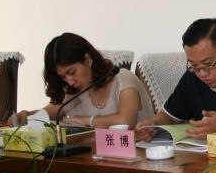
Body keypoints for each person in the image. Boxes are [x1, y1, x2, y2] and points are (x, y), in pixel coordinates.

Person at [8, 33, 153, 129]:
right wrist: (26, 116)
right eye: (63, 77)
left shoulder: (123, 80)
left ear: (88, 60)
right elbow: (48, 114)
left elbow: (125, 121)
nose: (70, 82)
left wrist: (87, 120)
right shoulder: (73, 91)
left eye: (71, 72)